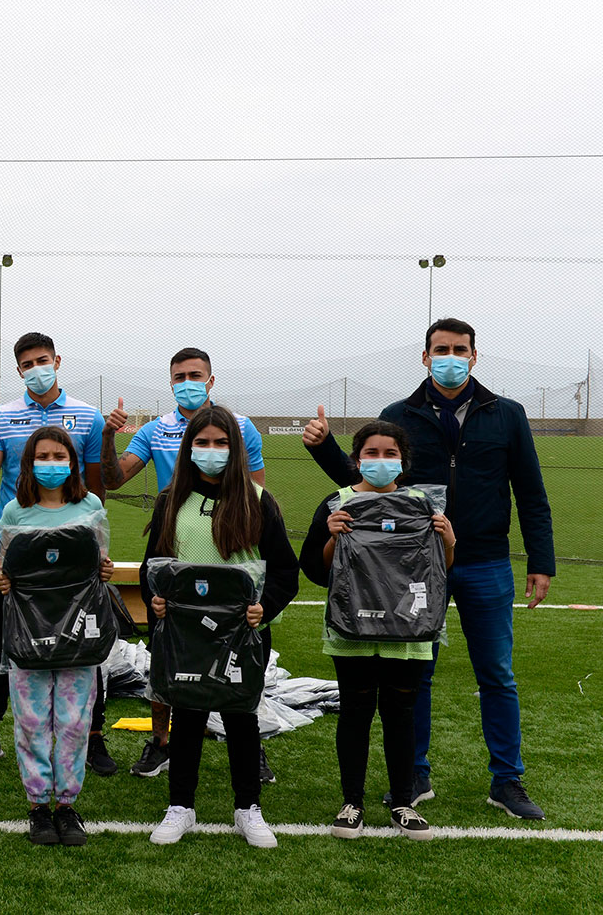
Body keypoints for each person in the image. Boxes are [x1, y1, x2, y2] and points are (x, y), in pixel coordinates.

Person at [301, 318, 554, 820]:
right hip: (411, 568)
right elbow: (370, 480)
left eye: (460, 349)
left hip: (484, 561)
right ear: (425, 357)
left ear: (475, 356)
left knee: (498, 674)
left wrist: (540, 561)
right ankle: (413, 776)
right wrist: (324, 446)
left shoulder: (506, 414)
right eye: (441, 349)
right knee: (417, 674)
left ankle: (507, 780)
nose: (451, 357)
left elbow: (530, 491)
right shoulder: (400, 413)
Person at [98, 347, 268, 782]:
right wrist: (107, 438)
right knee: (166, 653)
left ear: (212, 380)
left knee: (241, 652)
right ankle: (160, 743)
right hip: (175, 552)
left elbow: (256, 498)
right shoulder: (156, 430)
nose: (186, 382)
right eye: (179, 376)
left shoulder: (241, 428)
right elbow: (114, 479)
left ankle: (250, 743)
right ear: (170, 382)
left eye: (195, 375)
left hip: (229, 556)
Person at [143, 405, 298, 849]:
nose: (212, 451)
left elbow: (285, 572)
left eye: (222, 443)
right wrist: (154, 600)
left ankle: (247, 807)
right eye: (203, 443)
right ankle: (181, 806)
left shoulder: (258, 500)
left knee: (240, 717)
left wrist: (263, 609)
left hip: (242, 636)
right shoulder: (171, 500)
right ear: (189, 448)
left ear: (236, 448)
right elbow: (153, 567)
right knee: (188, 716)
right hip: (185, 636)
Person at [0, 332, 113, 773]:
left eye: (42, 360)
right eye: (26, 364)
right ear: (19, 370)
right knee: (3, 640)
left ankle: (94, 737)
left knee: (86, 641)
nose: (36, 369)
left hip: (74, 557)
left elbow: (95, 490)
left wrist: (95, 550)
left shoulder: (87, 416)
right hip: (16, 553)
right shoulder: (2, 417)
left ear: (58, 361)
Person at [299, 421, 454, 841]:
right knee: (355, 711)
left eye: (390, 454)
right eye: (371, 452)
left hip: (409, 627)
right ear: (356, 458)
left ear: (403, 461)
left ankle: (403, 802)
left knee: (401, 714)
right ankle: (352, 803)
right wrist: (332, 537)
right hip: (354, 627)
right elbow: (315, 569)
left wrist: (449, 541)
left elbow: (439, 571)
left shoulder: (423, 504)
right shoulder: (337, 502)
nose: (380, 461)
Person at [0, 427, 114, 847]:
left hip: (79, 634)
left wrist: (106, 570)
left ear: (72, 462)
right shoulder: (14, 511)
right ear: (29, 463)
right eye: (42, 456)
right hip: (29, 634)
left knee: (74, 721)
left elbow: (100, 561)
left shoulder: (91, 505)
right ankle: (38, 807)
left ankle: (66, 805)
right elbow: (5, 567)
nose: (51, 464)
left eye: (58, 456)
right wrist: (4, 581)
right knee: (30, 720)